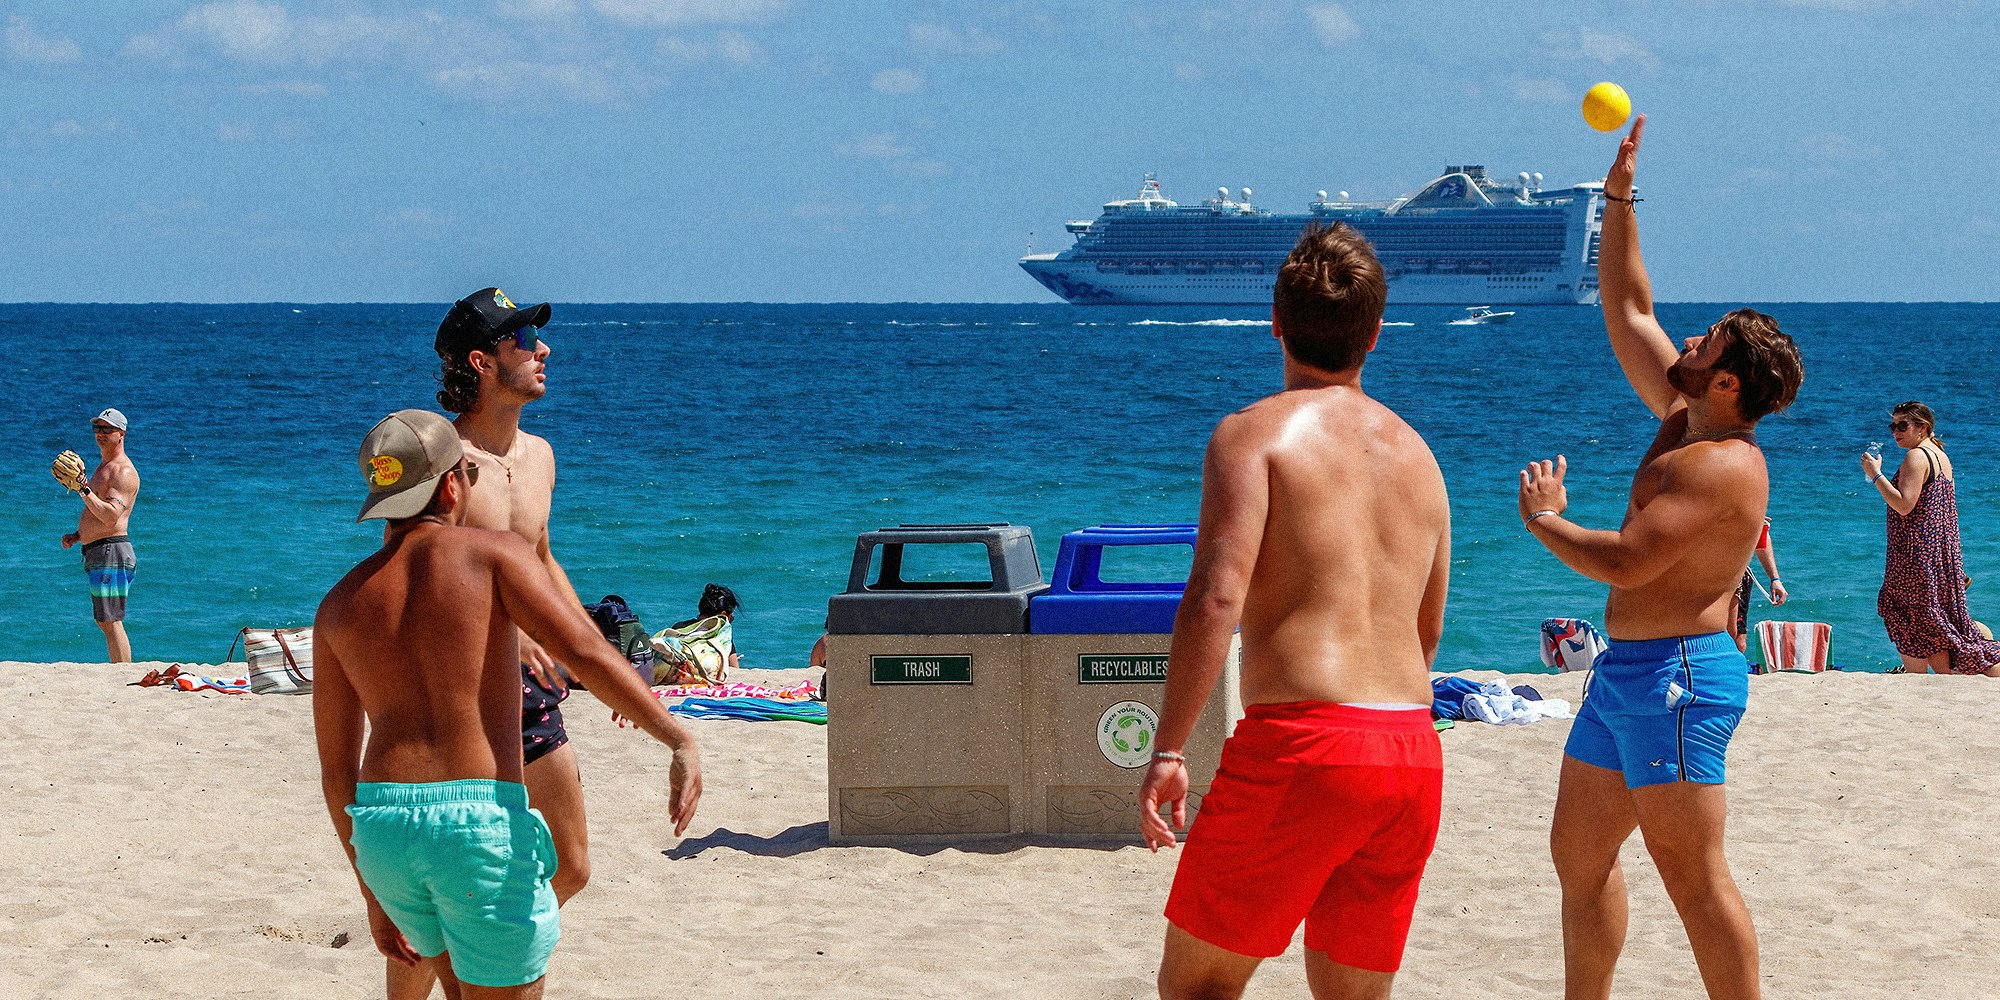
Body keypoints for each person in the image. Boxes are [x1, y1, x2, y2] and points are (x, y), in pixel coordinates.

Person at [1517, 116, 1804, 1000]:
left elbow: (1631, 563)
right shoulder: (1684, 419)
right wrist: (1618, 198)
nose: (1687, 340)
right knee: (1579, 856)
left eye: (1706, 342)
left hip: (1680, 678)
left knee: (1693, 879)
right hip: (1628, 673)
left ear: (1727, 382)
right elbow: (1629, 306)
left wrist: (1547, 523)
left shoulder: (1723, 467)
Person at [1138, 220, 1452, 1000]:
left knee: (1196, 988)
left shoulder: (1251, 437)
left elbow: (1215, 597)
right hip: (1410, 753)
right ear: (1375, 334)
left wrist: (1169, 748)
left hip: (1306, 746)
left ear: (1274, 321)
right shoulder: (1421, 456)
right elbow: (1427, 631)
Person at [316, 409, 701, 1000]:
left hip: (384, 828)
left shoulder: (339, 604)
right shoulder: (492, 555)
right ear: (452, 484)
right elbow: (584, 648)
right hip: (474, 820)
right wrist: (676, 738)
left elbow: (337, 771)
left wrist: (373, 893)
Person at [395, 286, 592, 999]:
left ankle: (472, 947)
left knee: (571, 866)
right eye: (522, 343)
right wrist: (509, 641)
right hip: (461, 695)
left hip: (534, 690)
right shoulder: (443, 461)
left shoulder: (539, 456)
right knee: (450, 884)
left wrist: (590, 655)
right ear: (482, 361)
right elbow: (419, 577)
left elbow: (540, 559)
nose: (543, 351)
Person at [1862, 401, 2000, 675]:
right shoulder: (1939, 455)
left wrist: (1875, 474)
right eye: (1893, 426)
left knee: (1906, 613)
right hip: (1935, 552)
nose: (1896, 432)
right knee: (1933, 619)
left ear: (1923, 427)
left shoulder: (1916, 456)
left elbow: (1904, 505)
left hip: (1915, 555)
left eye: (1903, 426)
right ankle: (1939, 678)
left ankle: (1919, 678)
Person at [59, 408, 141, 663]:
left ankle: (122, 674)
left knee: (110, 620)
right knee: (105, 620)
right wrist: (79, 535)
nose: (100, 434)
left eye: (108, 429)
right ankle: (120, 672)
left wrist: (83, 488)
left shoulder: (123, 472)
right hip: (100, 549)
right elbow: (97, 514)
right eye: (97, 428)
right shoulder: (103, 467)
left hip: (112, 551)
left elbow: (111, 517)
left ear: (121, 434)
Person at [1726, 518, 1786, 655]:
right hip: (1708, 574)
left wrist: (1775, 579)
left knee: (1738, 641)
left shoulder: (1748, 503)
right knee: (1723, 634)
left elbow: (1761, 539)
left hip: (1738, 575)